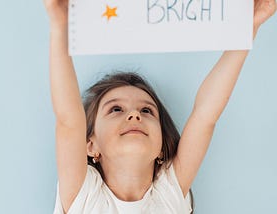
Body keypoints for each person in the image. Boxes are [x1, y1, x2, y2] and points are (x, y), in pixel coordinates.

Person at [43, 0, 276, 213]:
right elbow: (68, 121)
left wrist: (248, 28)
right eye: (116, 109)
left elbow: (206, 114)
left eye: (147, 110)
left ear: (162, 148)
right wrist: (60, 25)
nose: (134, 114)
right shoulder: (84, 193)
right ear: (91, 145)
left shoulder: (169, 192)